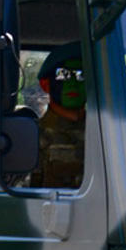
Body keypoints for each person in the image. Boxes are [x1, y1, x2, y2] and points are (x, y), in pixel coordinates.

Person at [29, 42, 85, 188]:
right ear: (45, 84)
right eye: (63, 75)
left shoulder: (109, 135)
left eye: (81, 75)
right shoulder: (31, 138)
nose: (73, 83)